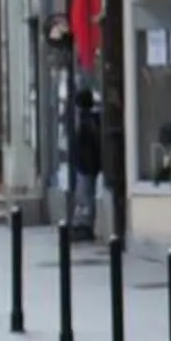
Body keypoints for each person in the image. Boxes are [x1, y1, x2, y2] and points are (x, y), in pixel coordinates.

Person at [65, 85, 103, 236]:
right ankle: (83, 224)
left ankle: (85, 226)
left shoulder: (88, 121)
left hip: (86, 165)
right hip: (84, 164)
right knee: (84, 195)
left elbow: (89, 145)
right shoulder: (89, 120)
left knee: (85, 195)